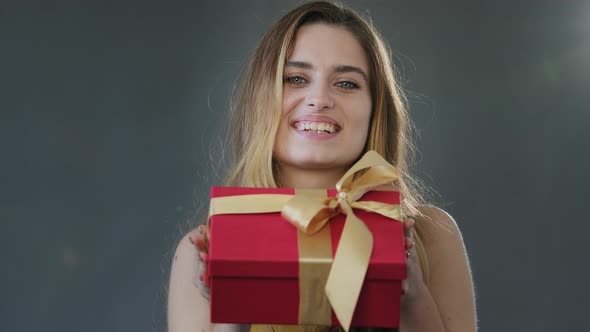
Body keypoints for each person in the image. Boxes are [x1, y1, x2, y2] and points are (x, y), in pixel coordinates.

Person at [168, 1, 477, 331]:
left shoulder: (431, 235)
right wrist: (233, 307)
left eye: (346, 83)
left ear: (376, 109)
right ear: (260, 98)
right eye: (296, 78)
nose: (319, 99)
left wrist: (410, 295)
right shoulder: (202, 250)